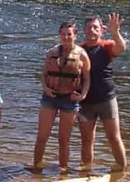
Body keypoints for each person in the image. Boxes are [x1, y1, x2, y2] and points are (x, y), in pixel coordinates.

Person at [32, 22, 91, 171]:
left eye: (69, 34)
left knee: (63, 139)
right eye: (63, 34)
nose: (66, 37)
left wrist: (83, 95)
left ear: (75, 36)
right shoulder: (52, 53)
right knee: (41, 137)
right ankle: (35, 168)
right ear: (60, 36)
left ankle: (63, 170)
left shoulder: (82, 55)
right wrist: (46, 89)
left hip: (69, 101)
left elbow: (87, 79)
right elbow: (44, 75)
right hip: (50, 98)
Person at [78, 13, 128, 171]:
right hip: (85, 102)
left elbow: (121, 48)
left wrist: (116, 33)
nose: (92, 30)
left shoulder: (106, 46)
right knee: (86, 140)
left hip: (107, 100)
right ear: (84, 31)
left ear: (101, 31)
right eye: (89, 27)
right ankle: (85, 173)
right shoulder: (79, 50)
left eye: (95, 27)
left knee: (114, 138)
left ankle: (123, 171)